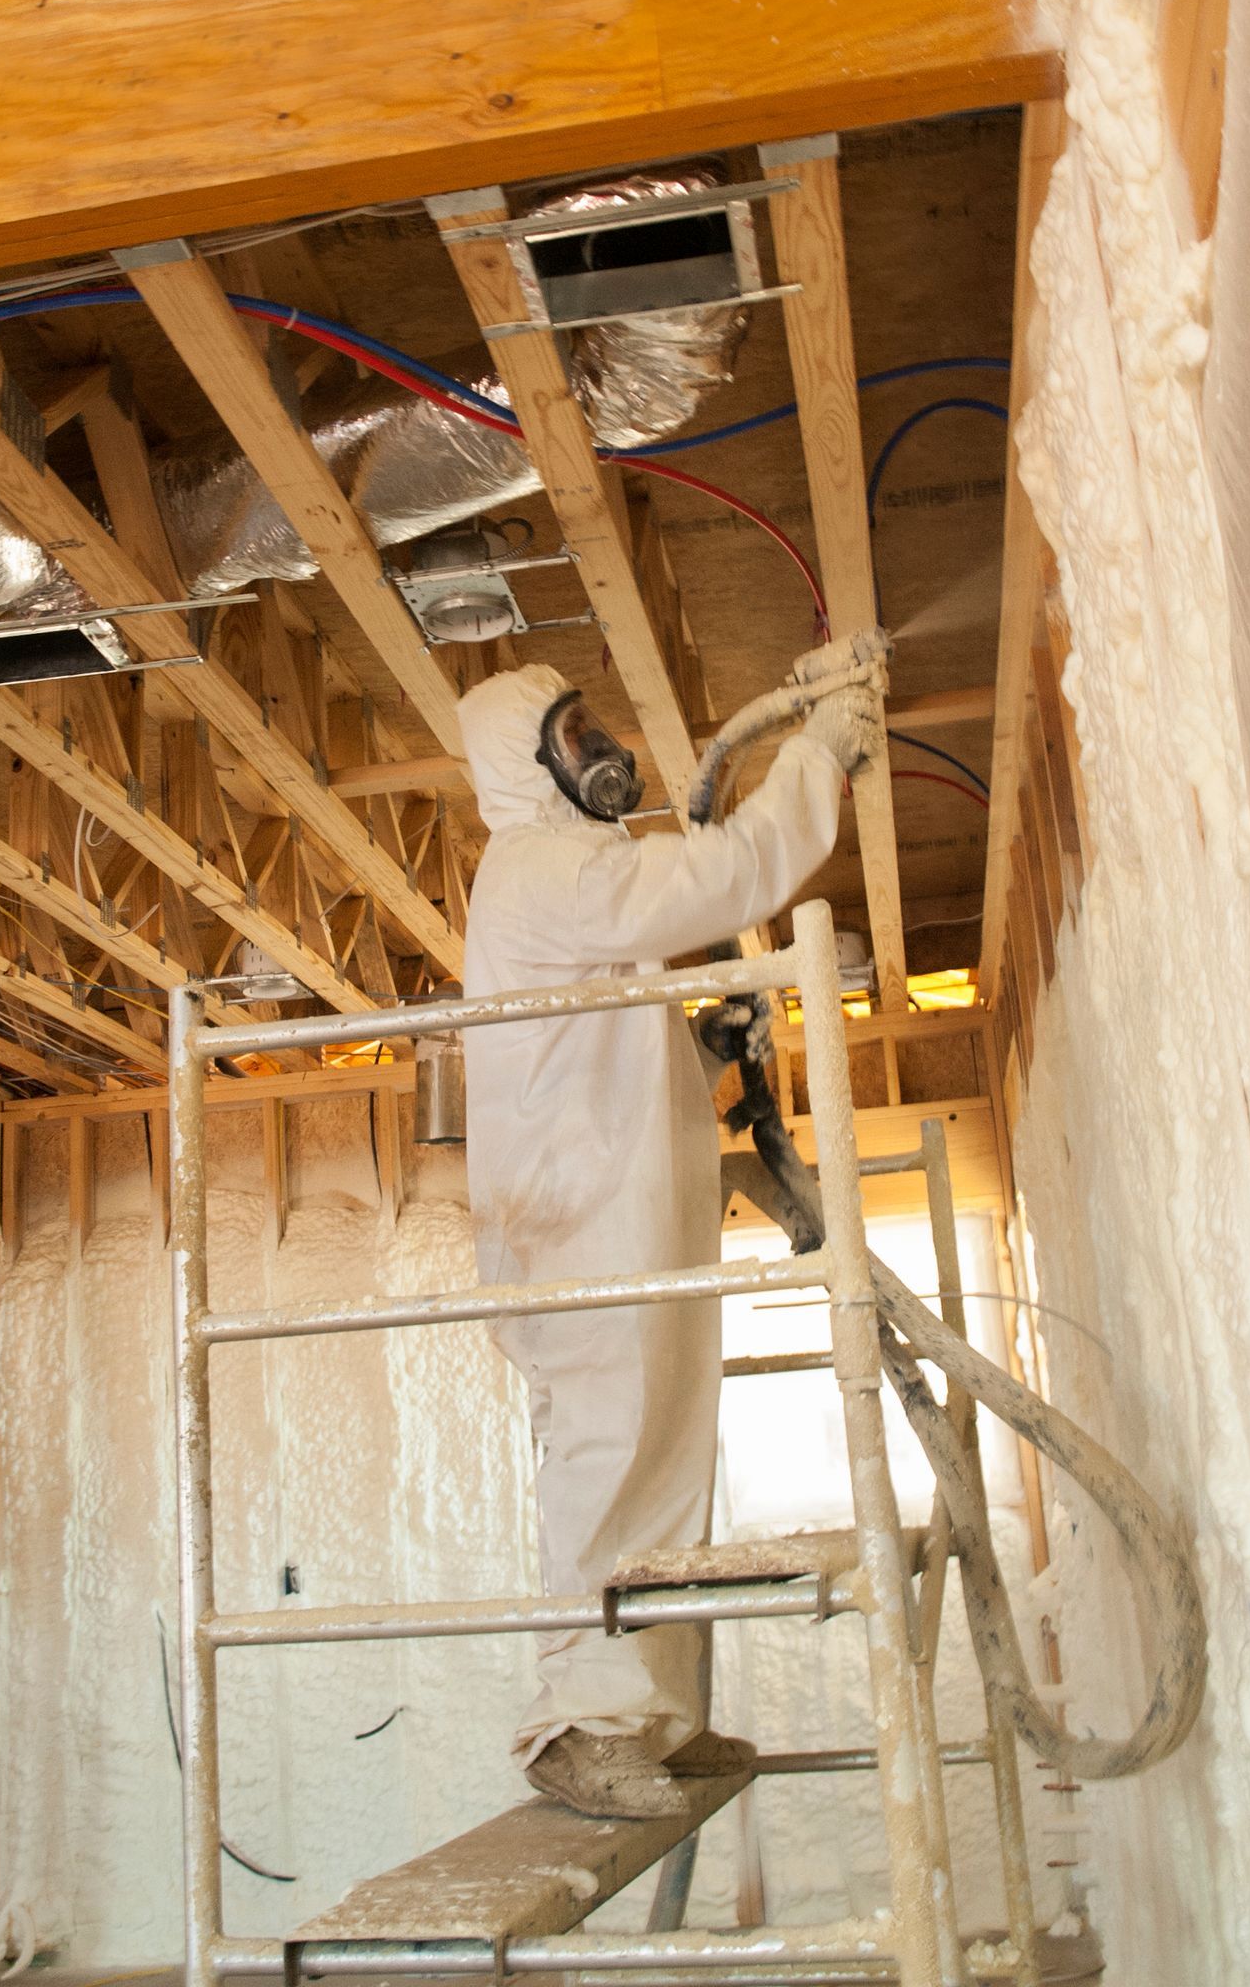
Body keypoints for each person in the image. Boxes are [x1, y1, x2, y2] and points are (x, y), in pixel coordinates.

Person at [456, 659, 884, 1820]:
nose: (597, 744)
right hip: (576, 1236)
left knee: (663, 1468)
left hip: (619, 1218)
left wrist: (696, 1048)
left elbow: (602, 1069)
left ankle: (654, 1719)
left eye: (589, 720)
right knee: (609, 1464)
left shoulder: (575, 881)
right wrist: (814, 759)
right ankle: (577, 1726)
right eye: (569, 731)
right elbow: (720, 870)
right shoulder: (541, 868)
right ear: (521, 762)